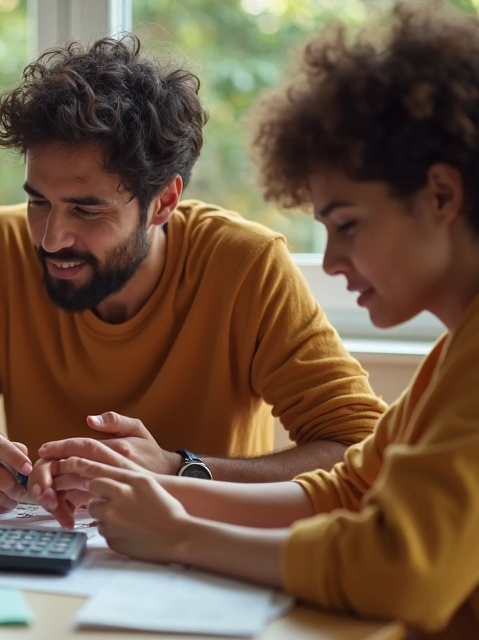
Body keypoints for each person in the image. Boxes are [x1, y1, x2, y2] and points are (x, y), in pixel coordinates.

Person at [37, 3, 479, 637]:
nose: (331, 261)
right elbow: (345, 493)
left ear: (441, 195)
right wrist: (149, 486)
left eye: (348, 225)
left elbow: (403, 569)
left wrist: (182, 536)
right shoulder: (455, 355)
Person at [0, 34, 388, 516]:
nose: (51, 239)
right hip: (42, 555)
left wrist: (176, 470)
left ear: (163, 202)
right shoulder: (1, 245)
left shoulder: (246, 264)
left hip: (199, 561)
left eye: (86, 210)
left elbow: (361, 446)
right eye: (39, 202)